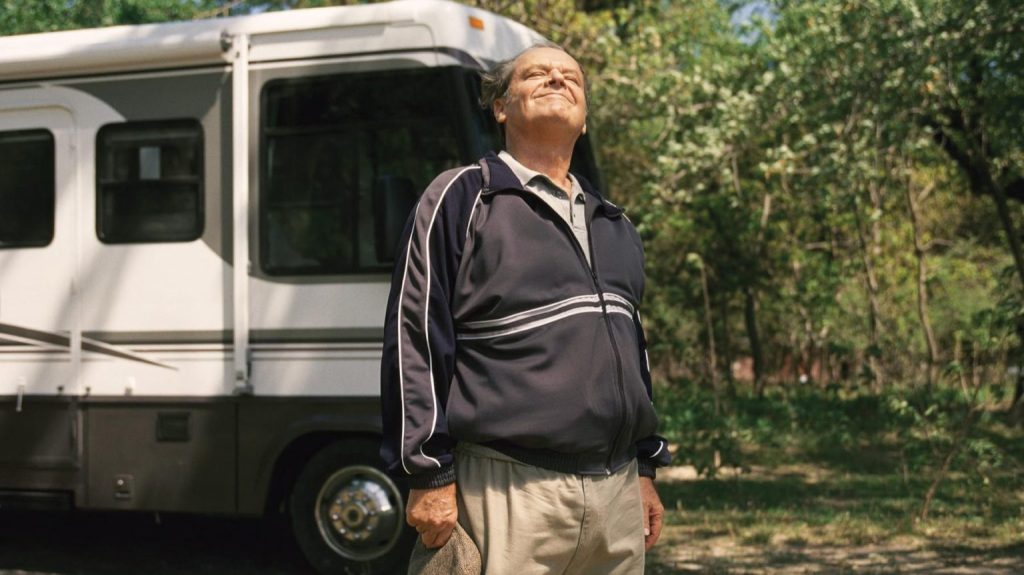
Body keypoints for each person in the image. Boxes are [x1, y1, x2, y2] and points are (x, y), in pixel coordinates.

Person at [380, 41, 672, 574]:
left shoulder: (615, 223)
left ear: (584, 119)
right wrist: (427, 472)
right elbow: (415, 336)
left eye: (571, 78)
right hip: (509, 489)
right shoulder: (462, 196)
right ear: (500, 107)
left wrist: (645, 468)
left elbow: (635, 356)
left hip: (617, 494)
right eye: (537, 74)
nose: (557, 80)